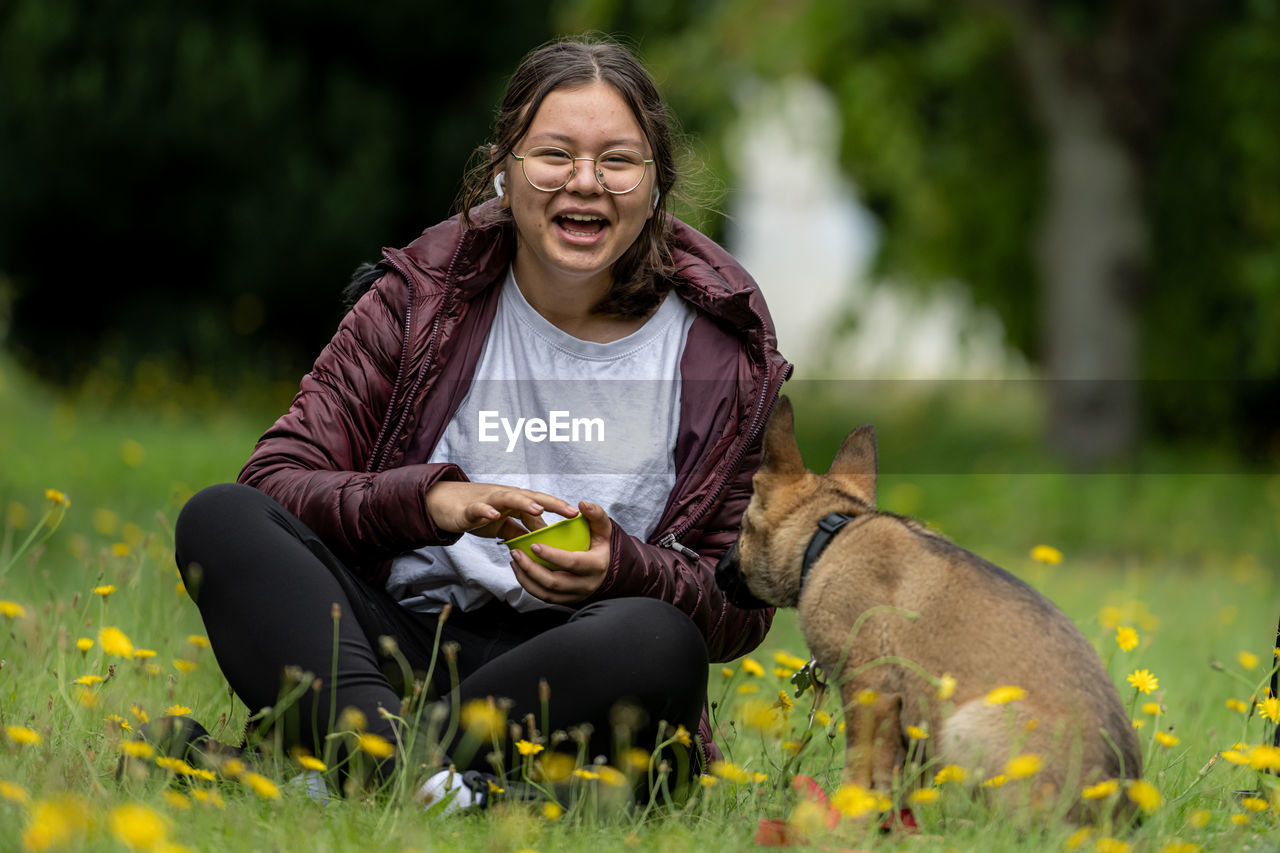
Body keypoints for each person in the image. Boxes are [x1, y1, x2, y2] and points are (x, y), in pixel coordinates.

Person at [171, 34, 790, 805]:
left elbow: (739, 603)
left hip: (574, 676)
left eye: (619, 160)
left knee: (658, 638)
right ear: (504, 167)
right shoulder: (421, 293)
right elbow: (278, 479)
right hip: (399, 647)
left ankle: (367, 768)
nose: (586, 183)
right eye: (554, 154)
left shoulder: (722, 345)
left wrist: (621, 569)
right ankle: (431, 777)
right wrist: (432, 501)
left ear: (657, 180)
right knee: (222, 518)